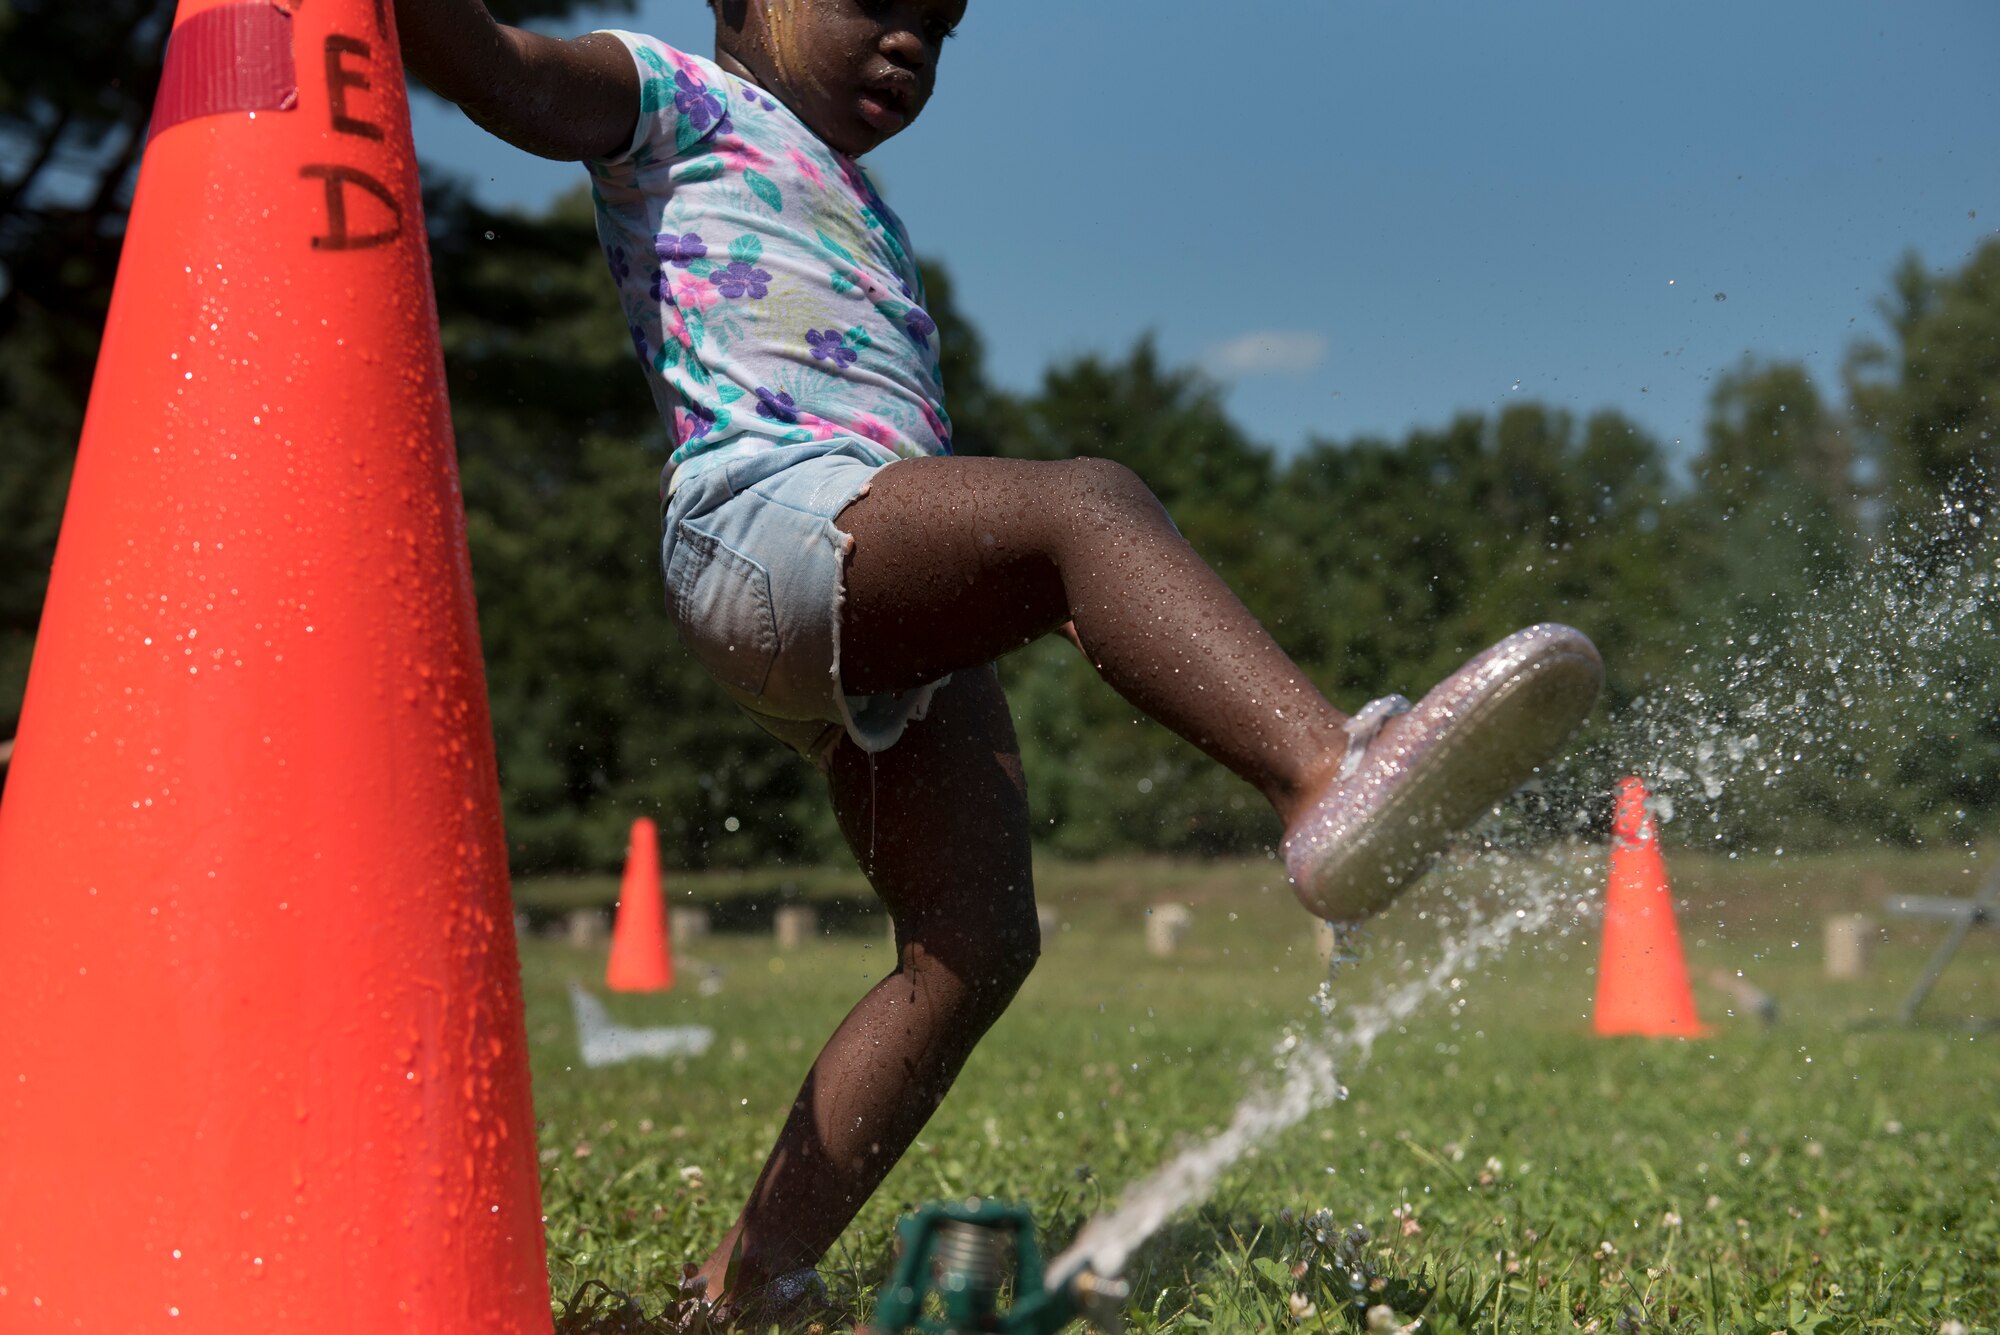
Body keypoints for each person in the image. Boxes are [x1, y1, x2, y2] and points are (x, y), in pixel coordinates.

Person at [395, 0, 1604, 1319]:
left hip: (854, 564)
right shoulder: (667, 92)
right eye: (878, 3)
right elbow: (498, 70)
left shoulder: (858, 200)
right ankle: (1323, 774)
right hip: (765, 520)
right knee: (1087, 506)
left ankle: (748, 1279)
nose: (909, 43)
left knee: (974, 940)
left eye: (941, 27)